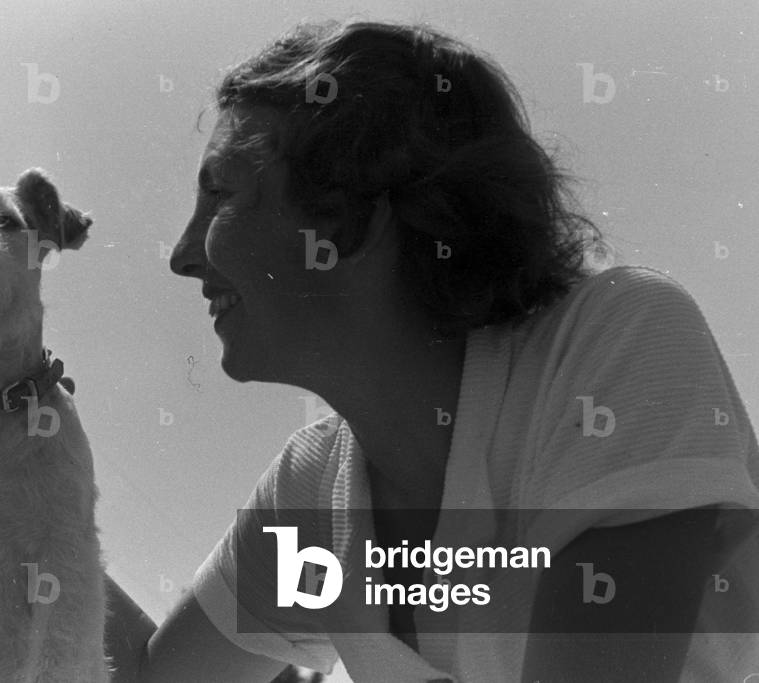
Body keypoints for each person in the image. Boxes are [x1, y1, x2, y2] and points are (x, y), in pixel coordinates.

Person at [103, 20, 759, 682]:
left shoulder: (613, 343)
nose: (184, 255)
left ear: (345, 216)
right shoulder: (310, 488)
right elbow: (148, 679)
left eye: (220, 194)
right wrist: (14, 424)